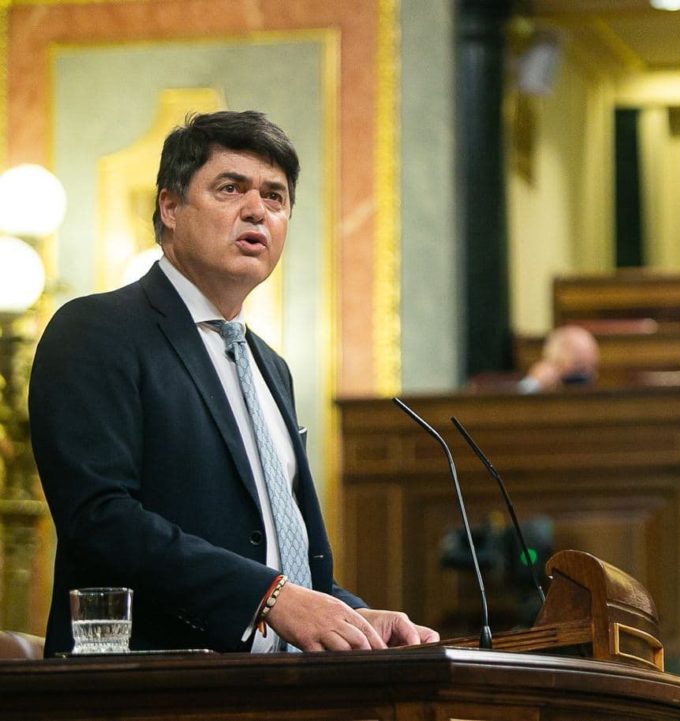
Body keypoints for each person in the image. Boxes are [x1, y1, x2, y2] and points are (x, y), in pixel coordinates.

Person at [29, 111, 438, 656]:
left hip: (282, 689)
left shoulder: (271, 366)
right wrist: (268, 598)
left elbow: (280, 554)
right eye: (231, 188)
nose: (257, 210)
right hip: (148, 687)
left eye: (275, 197)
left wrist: (354, 615)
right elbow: (100, 519)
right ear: (169, 207)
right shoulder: (97, 331)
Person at [518, 324, 599, 393]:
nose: (581, 376)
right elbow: (514, 399)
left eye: (590, 366)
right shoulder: (539, 384)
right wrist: (533, 383)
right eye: (577, 363)